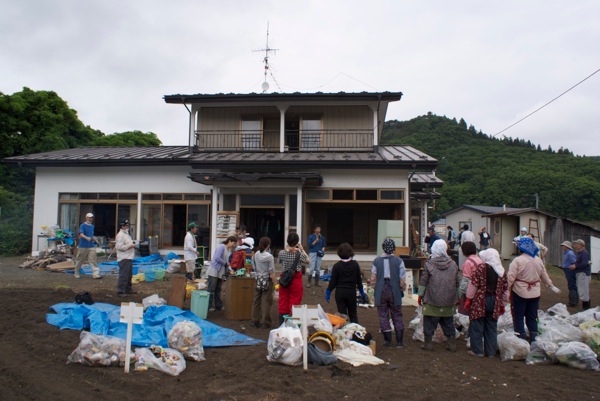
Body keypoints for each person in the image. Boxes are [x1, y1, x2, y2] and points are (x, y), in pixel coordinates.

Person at [507, 237, 560, 343]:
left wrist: (505, 289)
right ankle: (534, 339)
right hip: (535, 292)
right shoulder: (538, 260)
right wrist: (550, 285)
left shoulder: (518, 260)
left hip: (520, 291)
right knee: (532, 317)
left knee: (518, 316)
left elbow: (510, 277)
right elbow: (544, 275)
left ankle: (520, 338)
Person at [464, 248, 508, 358]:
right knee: (491, 328)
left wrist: (468, 299)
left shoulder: (481, 268)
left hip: (480, 301)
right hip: (495, 302)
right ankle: (491, 352)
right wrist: (502, 304)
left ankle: (478, 351)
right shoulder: (502, 271)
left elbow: (473, 285)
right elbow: (505, 290)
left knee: (477, 326)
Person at [418, 239, 460, 352]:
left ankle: (428, 343)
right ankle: (452, 344)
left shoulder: (429, 264)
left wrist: (420, 295)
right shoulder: (453, 264)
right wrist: (458, 296)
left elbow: (423, 281)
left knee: (429, 322)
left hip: (432, 298)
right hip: (448, 299)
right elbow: (457, 282)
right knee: (448, 322)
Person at [371, 238, 407, 348]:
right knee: (397, 314)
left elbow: (373, 278)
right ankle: (400, 342)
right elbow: (402, 279)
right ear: (393, 248)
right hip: (394, 290)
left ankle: (388, 341)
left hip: (381, 290)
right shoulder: (399, 261)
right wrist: (401, 288)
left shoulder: (376, 261)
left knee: (383, 315)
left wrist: (375, 289)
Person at [326, 243, 366, 324]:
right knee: (353, 315)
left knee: (342, 316)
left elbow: (333, 282)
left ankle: (345, 333)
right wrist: (362, 292)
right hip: (351, 292)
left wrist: (328, 292)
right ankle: (355, 332)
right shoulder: (355, 265)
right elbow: (359, 280)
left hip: (340, 292)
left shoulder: (336, 266)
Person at [277, 233, 308, 325]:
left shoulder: (282, 253)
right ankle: (291, 322)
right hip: (296, 279)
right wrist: (302, 249)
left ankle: (282, 322)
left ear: (287, 241)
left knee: (283, 299)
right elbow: (308, 260)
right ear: (297, 243)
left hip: (284, 279)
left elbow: (279, 261)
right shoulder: (299, 254)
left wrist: (287, 249)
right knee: (295, 300)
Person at [207, 236, 238, 312]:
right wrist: (225, 264)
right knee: (211, 289)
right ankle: (208, 305)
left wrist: (228, 267)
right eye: (233, 243)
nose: (234, 245)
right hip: (214, 270)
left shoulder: (229, 250)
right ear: (229, 241)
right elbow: (217, 258)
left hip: (220, 271)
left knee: (218, 289)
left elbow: (226, 261)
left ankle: (218, 305)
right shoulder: (221, 247)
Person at [251, 237, 276, 328]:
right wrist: (276, 284)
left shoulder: (256, 254)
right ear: (268, 245)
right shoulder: (269, 257)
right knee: (266, 301)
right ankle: (266, 322)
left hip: (258, 279)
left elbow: (254, 267)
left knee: (256, 300)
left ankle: (255, 320)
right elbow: (272, 272)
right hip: (267, 281)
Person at [74, 212, 101, 279]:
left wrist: (95, 239)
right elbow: (81, 234)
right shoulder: (82, 225)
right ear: (86, 218)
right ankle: (76, 272)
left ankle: (95, 274)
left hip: (91, 246)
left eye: (91, 218)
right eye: (89, 217)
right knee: (80, 260)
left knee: (93, 260)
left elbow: (91, 235)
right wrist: (86, 238)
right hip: (83, 246)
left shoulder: (92, 226)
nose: (90, 219)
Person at [458, 241, 482, 315]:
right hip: (479, 289)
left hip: (470, 290)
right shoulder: (479, 259)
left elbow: (466, 280)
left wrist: (461, 293)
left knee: (467, 311)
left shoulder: (468, 262)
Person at [115, 219, 137, 297]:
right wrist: (130, 246)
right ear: (122, 226)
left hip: (128, 257)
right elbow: (119, 247)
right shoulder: (120, 235)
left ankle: (128, 289)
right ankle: (120, 291)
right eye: (126, 225)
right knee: (124, 275)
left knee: (129, 274)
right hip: (123, 258)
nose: (128, 226)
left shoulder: (126, 234)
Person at [571, 239, 591, 310]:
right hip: (580, 273)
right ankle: (585, 308)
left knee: (584, 291)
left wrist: (575, 266)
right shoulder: (579, 253)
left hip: (583, 273)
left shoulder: (584, 253)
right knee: (581, 290)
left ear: (581, 245)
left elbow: (585, 263)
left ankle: (586, 309)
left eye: (577, 244)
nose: (575, 246)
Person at [560, 241, 578, 307]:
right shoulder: (567, 253)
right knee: (571, 284)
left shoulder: (570, 253)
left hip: (569, 270)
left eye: (563, 246)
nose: (562, 247)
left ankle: (573, 302)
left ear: (566, 246)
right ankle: (573, 300)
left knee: (571, 284)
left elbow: (574, 262)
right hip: (567, 269)